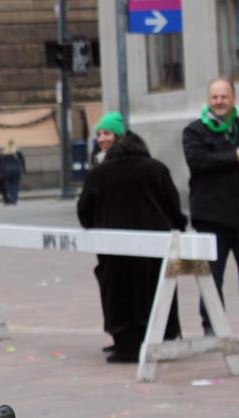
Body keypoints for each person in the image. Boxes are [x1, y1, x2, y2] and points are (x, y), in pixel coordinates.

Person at [78, 113, 187, 363]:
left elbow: (85, 212)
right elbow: (173, 206)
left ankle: (126, 345)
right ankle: (162, 338)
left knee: (120, 294)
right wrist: (178, 227)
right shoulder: (156, 168)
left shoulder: (99, 174)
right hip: (157, 245)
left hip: (114, 248)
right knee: (155, 291)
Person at [182, 77, 239, 337]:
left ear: (233, 99)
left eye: (224, 97)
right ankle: (211, 326)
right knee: (211, 278)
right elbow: (198, 162)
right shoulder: (195, 131)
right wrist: (234, 157)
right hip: (211, 217)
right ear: (208, 100)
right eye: (214, 97)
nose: (219, 102)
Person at [0, 140, 26, 205]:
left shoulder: (5, 153)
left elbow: (2, 164)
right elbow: (22, 162)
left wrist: (1, 172)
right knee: (15, 185)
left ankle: (11, 197)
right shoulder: (18, 152)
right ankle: (14, 198)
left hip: (7, 171)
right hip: (16, 171)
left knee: (9, 185)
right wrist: (24, 170)